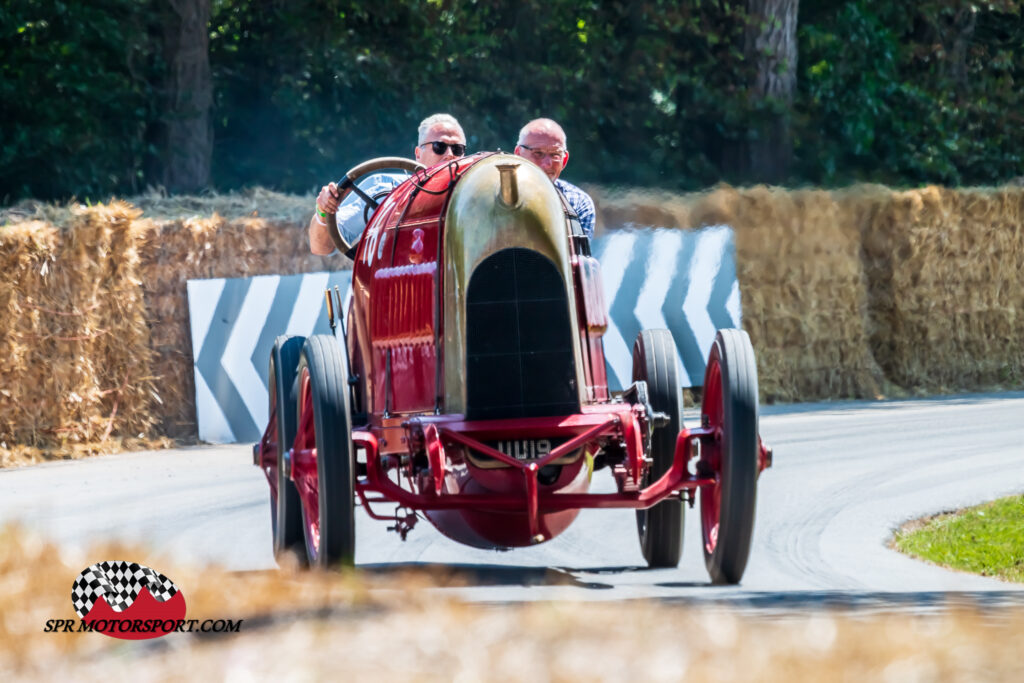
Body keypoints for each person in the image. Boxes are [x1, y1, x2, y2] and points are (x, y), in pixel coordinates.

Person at [309, 113, 467, 255]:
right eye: (439, 147)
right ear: (418, 154)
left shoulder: (476, 196)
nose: (450, 155)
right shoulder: (384, 189)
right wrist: (324, 212)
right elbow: (322, 247)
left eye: (458, 149)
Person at [514, 118, 595, 239]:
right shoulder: (492, 195)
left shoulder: (577, 203)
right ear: (518, 154)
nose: (547, 164)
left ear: (564, 160)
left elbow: (578, 255)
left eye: (555, 155)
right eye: (538, 153)